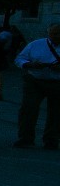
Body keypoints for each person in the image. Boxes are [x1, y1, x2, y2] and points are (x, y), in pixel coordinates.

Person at [13, 22, 60, 150]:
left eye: (58, 34)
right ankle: (25, 137)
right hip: (35, 80)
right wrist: (30, 65)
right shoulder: (36, 44)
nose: (56, 36)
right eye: (53, 34)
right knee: (29, 108)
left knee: (56, 112)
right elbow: (19, 59)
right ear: (48, 33)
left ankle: (51, 139)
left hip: (57, 82)